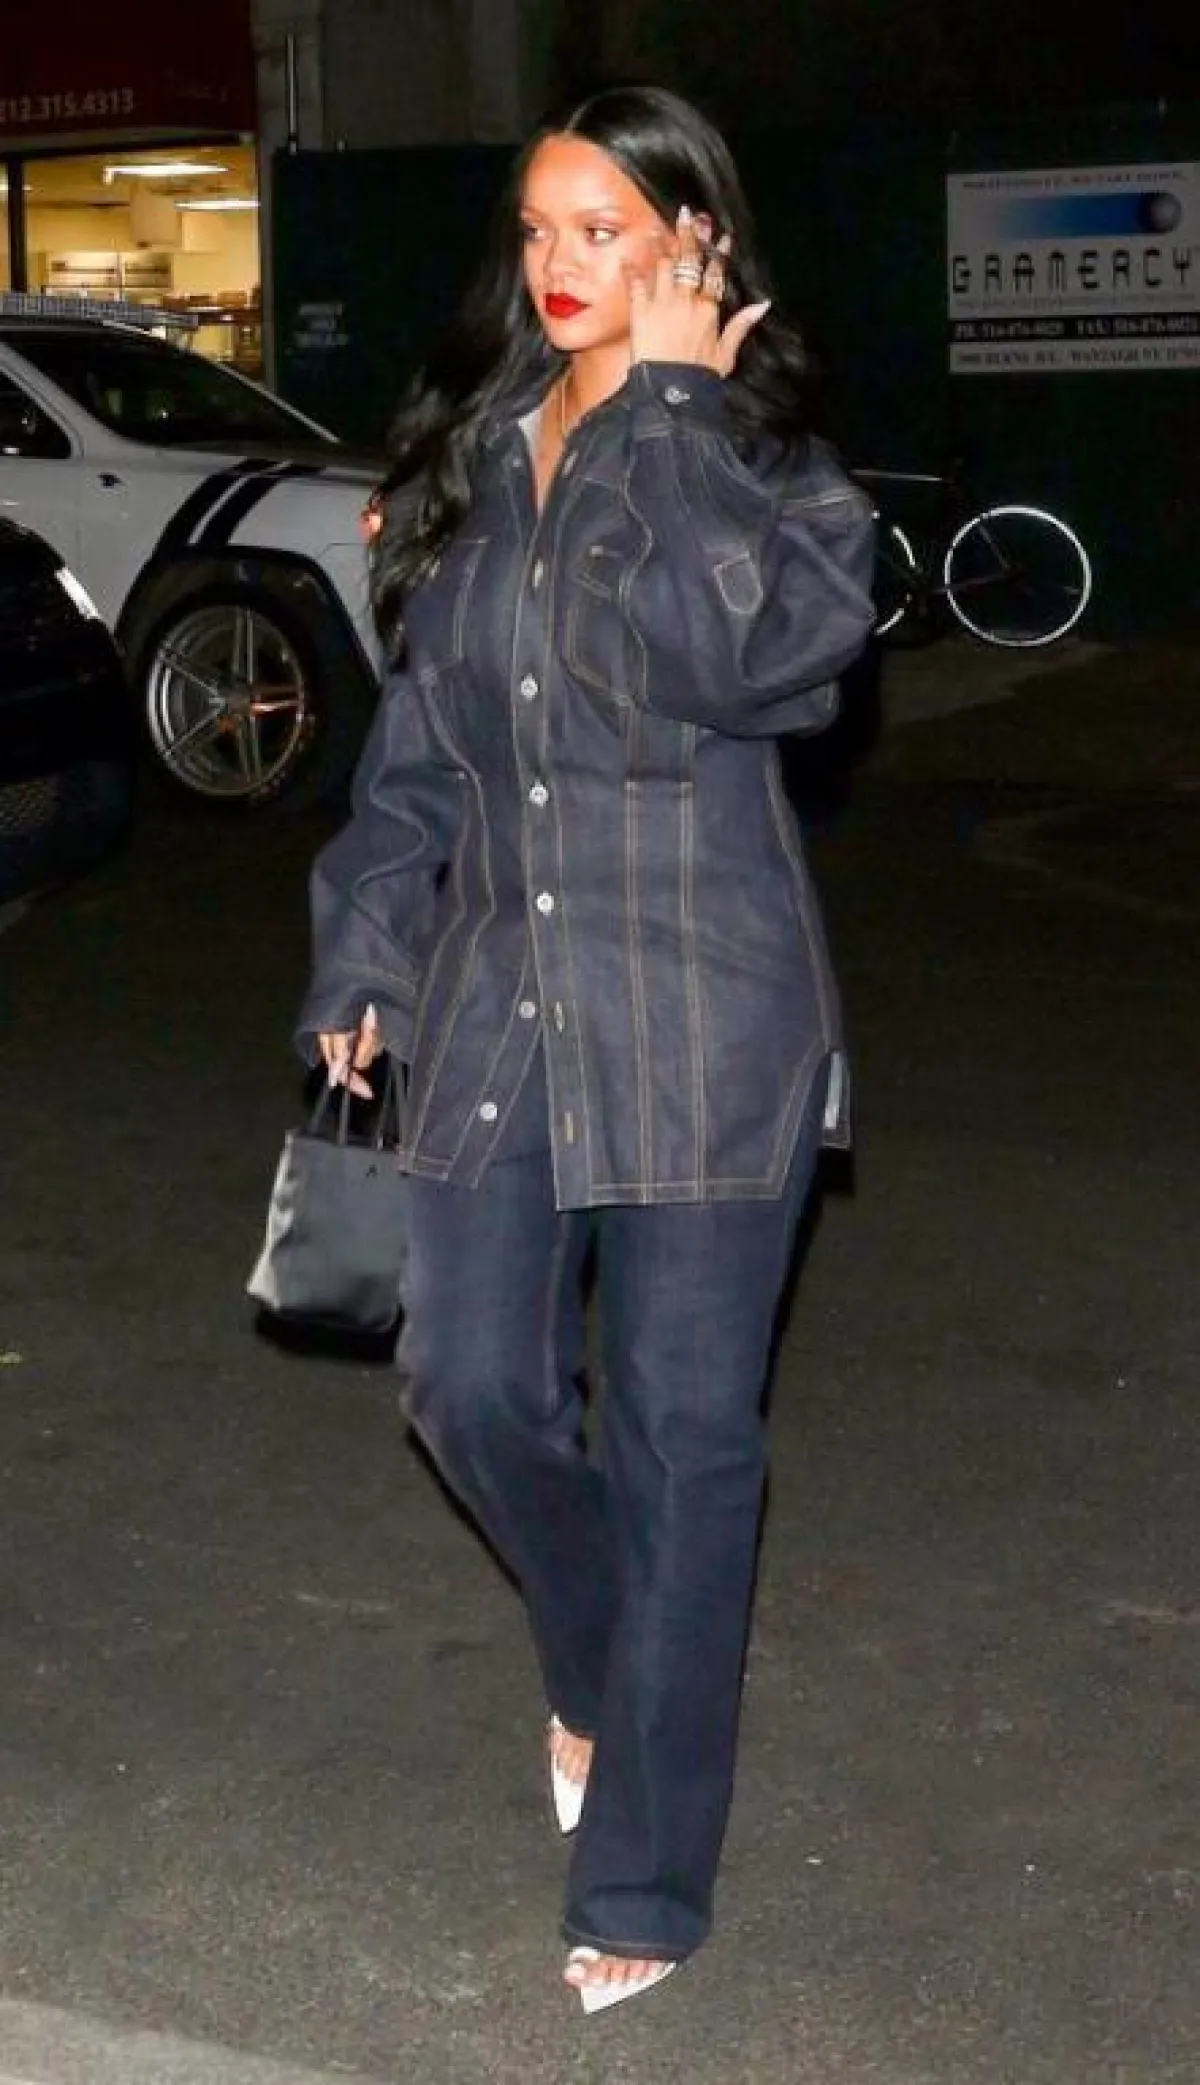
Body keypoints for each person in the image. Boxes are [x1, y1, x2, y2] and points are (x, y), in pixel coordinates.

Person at [297, 81, 876, 2012]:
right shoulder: (479, 459)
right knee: (465, 1382)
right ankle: (607, 1660)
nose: (559, 267)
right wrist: (364, 961)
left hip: (707, 1015)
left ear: (696, 243)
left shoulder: (774, 470)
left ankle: (644, 1877)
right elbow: (416, 764)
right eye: (540, 229)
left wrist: (676, 416)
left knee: (684, 1442)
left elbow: (756, 673)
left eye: (604, 230)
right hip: (497, 1002)